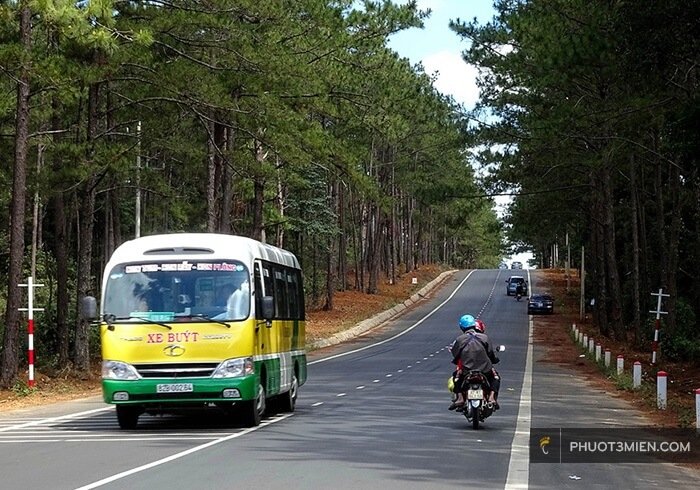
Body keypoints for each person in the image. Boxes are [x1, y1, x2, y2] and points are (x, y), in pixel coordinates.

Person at [448, 314, 501, 411]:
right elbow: (490, 353)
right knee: (495, 377)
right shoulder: (484, 338)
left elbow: (455, 354)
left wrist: (458, 362)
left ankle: (460, 398)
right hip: (485, 369)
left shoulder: (459, 340)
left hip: (466, 370)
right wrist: (494, 360)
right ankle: (492, 398)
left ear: (462, 327)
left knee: (456, 378)